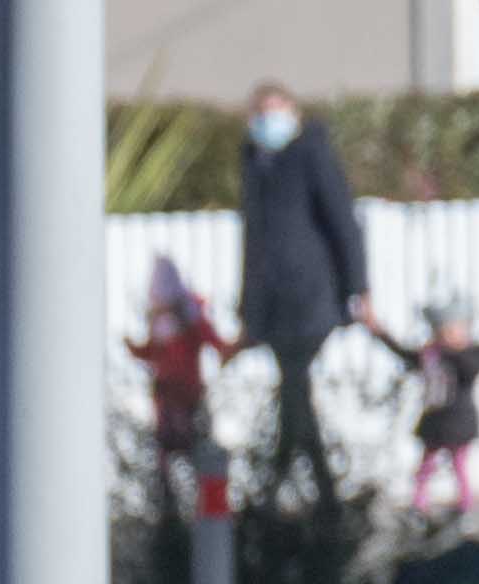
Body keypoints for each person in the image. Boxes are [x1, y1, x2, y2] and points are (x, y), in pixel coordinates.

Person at [235, 84, 370, 500]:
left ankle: (285, 485)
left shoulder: (311, 156)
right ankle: (316, 488)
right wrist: (249, 311)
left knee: (294, 384)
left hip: (310, 295)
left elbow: (343, 225)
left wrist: (357, 288)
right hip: (273, 305)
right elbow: (253, 244)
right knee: (295, 390)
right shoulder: (255, 163)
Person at [130, 259, 234, 485]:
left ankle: (203, 489)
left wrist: (224, 349)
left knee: (193, 444)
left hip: (187, 393)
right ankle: (168, 498)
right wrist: (134, 350)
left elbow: (210, 338)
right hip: (166, 395)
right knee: (165, 449)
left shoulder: (190, 318)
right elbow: (152, 352)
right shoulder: (159, 322)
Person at [402, 296, 479, 523]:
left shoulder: (475, 353)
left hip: (460, 422)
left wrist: (453, 348)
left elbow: (469, 369)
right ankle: (419, 505)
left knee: (459, 466)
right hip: (435, 421)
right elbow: (405, 355)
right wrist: (379, 332)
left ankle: (466, 505)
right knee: (425, 466)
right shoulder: (430, 355)